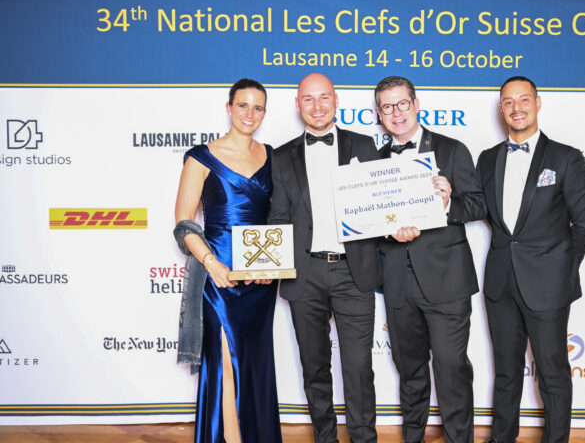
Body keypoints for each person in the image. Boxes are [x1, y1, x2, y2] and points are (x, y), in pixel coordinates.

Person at [475, 76, 585, 443]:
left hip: (548, 284)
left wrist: (559, 266)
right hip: (500, 282)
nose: (516, 107)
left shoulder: (565, 157)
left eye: (524, 99)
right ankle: (502, 438)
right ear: (501, 109)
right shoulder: (487, 158)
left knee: (552, 373)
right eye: (508, 101)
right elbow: (491, 216)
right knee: (506, 372)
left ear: (538, 103)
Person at [268, 73, 382, 443]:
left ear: (336, 100)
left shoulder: (364, 145)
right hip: (304, 274)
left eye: (324, 98)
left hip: (354, 271)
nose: (317, 106)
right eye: (308, 99)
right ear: (298, 104)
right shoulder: (280, 156)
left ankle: (364, 439)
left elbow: (382, 205)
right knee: (314, 367)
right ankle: (325, 437)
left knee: (359, 368)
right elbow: (278, 218)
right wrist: (268, 262)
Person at [374, 76, 486, 443]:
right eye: (387, 107)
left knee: (452, 369)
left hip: (446, 282)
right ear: (379, 114)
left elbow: (478, 205)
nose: (396, 113)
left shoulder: (452, 149)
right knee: (410, 371)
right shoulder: (373, 162)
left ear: (416, 105)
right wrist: (386, 229)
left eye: (402, 104)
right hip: (397, 282)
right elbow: (368, 221)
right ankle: (413, 437)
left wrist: (448, 202)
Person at [174, 78, 281, 443]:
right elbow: (184, 223)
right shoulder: (201, 157)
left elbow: (280, 217)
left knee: (254, 364)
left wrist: (272, 267)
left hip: (261, 280)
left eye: (258, 107)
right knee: (224, 364)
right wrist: (211, 263)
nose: (250, 113)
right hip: (218, 277)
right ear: (229, 107)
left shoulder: (272, 156)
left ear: (264, 112)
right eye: (243, 105)